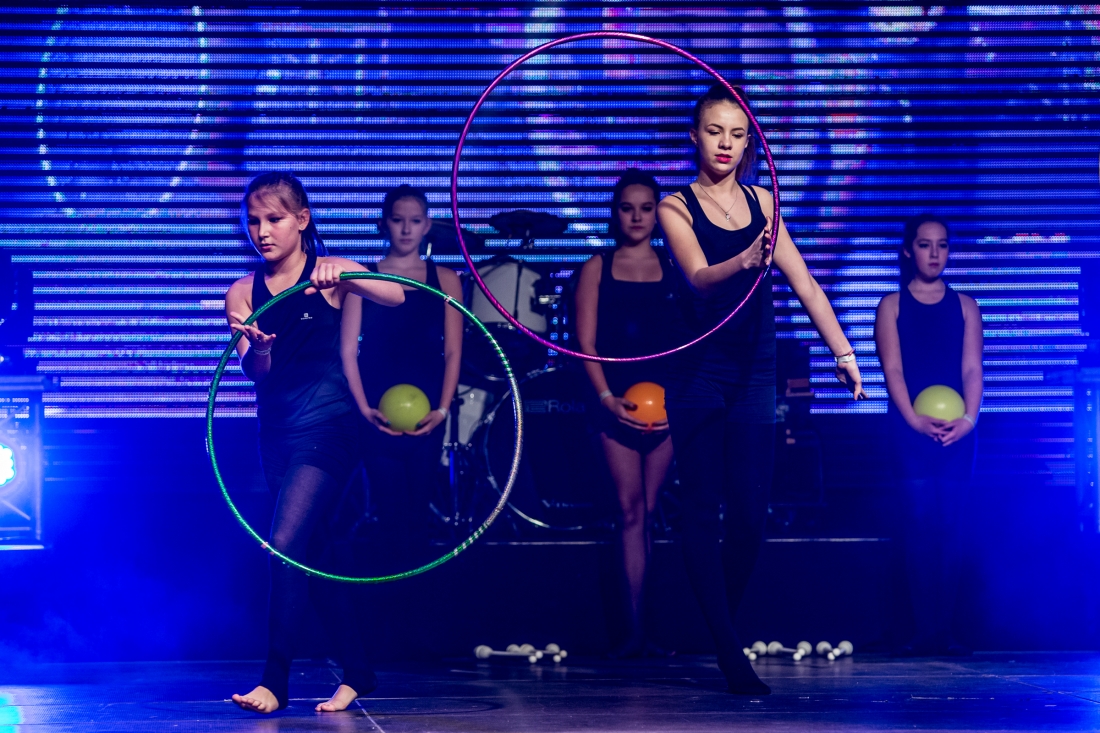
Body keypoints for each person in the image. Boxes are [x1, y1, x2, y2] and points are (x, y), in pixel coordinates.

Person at [656, 84, 866, 695]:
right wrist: (747, 260)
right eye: (714, 131)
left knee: (750, 518)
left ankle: (713, 621)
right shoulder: (674, 206)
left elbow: (806, 283)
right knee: (703, 508)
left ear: (749, 142)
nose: (725, 144)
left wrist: (843, 351)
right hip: (696, 370)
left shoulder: (765, 202)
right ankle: (729, 650)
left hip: (754, 368)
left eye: (737, 133)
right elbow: (699, 278)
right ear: (694, 136)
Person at [225, 172, 405, 713]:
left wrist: (346, 274)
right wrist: (259, 348)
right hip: (275, 438)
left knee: (284, 545)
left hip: (328, 431)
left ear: (302, 220)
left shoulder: (331, 273)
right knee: (315, 551)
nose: (262, 231)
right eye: (253, 221)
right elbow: (254, 373)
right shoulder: (241, 293)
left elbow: (397, 295)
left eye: (274, 219)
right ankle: (359, 673)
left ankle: (274, 682)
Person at [575, 169, 678, 658]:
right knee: (630, 511)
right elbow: (586, 344)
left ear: (658, 213)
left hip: (667, 407)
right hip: (614, 404)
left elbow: (690, 343)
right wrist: (606, 399)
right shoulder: (597, 266)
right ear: (614, 213)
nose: (636, 217)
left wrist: (678, 404)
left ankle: (650, 631)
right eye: (627, 208)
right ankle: (632, 632)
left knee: (650, 512)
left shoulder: (676, 266)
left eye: (646, 208)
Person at [874, 215, 982, 656]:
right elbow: (893, 370)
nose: (935, 253)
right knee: (918, 525)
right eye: (924, 244)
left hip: (958, 432)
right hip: (909, 430)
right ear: (908, 250)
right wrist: (914, 421)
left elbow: (972, 369)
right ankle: (922, 632)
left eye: (942, 244)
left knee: (952, 526)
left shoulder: (966, 306)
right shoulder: (891, 305)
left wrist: (968, 420)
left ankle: (944, 632)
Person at [341, 184, 462, 571]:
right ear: (384, 223)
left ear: (427, 225)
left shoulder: (446, 278)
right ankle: (389, 598)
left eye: (414, 221)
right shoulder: (363, 277)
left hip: (428, 409)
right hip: (376, 409)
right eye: (398, 220)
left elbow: (454, 351)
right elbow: (348, 350)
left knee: (418, 515)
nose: (406, 229)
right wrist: (364, 408)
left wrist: (443, 410)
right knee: (390, 515)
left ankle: (417, 599)